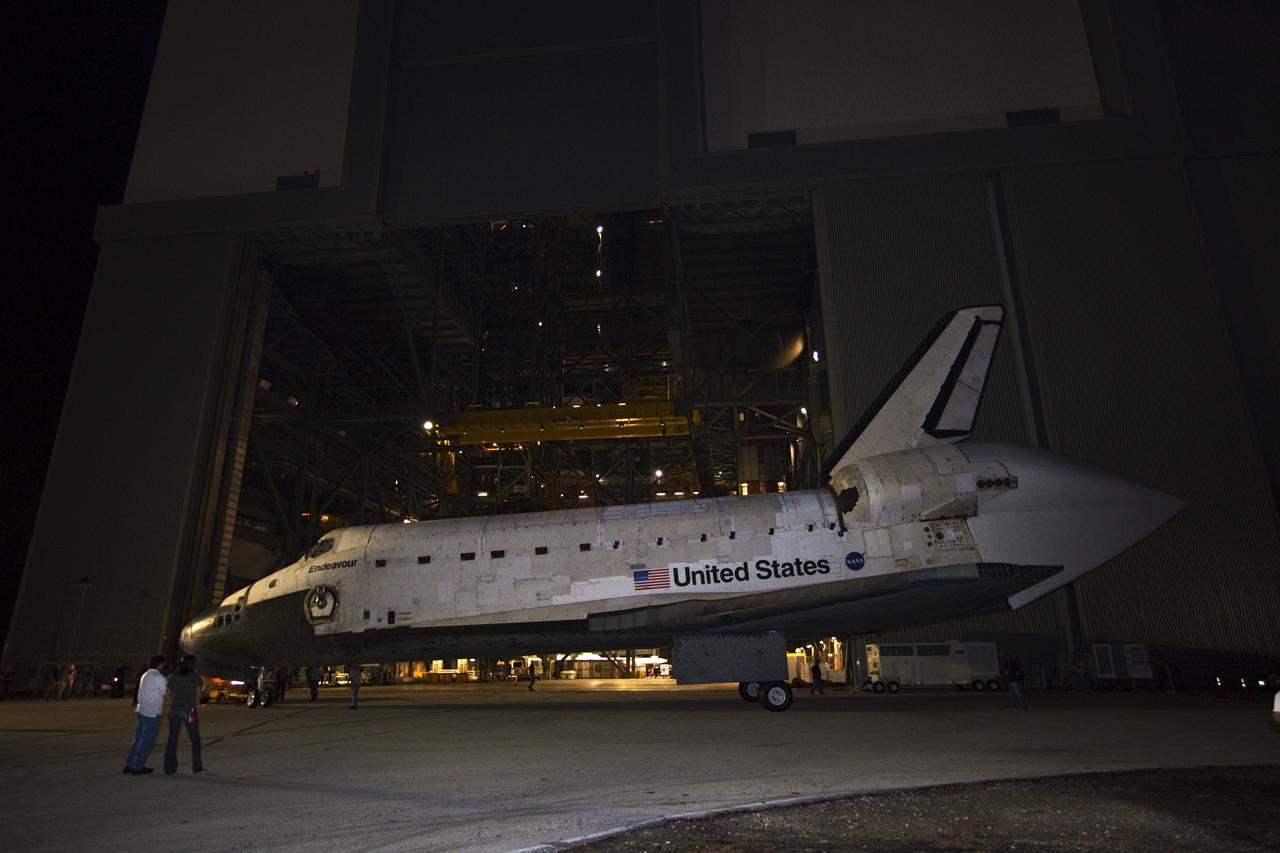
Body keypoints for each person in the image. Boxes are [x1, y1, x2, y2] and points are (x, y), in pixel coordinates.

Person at [124, 655, 167, 775]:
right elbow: (165, 693)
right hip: (152, 713)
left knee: (138, 739)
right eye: (163, 665)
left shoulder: (145, 675)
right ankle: (138, 767)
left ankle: (129, 764)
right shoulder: (159, 677)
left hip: (141, 710)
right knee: (147, 740)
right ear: (160, 664)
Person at [163, 655, 205, 775]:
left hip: (174, 710)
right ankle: (197, 768)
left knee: (172, 739)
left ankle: (169, 768)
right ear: (193, 664)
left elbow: (167, 695)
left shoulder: (174, 676)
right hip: (189, 712)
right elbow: (198, 696)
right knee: (195, 739)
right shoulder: (196, 677)